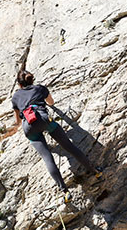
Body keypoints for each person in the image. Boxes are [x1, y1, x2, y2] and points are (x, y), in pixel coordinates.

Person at [11, 69, 101, 202]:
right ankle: (95, 171)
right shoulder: (40, 89)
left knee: (47, 157)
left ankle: (64, 191)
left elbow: (18, 122)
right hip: (44, 118)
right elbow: (51, 102)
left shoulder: (16, 96)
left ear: (19, 84)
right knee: (68, 146)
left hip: (28, 126)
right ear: (31, 79)